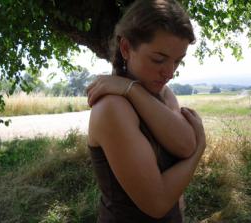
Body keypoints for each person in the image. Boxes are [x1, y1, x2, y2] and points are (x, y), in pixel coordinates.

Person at [85, 0, 206, 222]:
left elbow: (185, 145)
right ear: (125, 48)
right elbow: (157, 203)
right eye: (158, 59)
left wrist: (132, 90)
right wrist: (200, 150)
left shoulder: (162, 93)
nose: (169, 73)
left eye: (177, 61)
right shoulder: (112, 108)